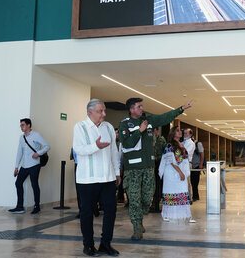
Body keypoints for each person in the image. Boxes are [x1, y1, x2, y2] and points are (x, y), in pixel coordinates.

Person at [119, 97, 193, 241]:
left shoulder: (149, 120)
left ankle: (140, 216)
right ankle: (137, 227)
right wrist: (139, 131)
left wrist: (181, 108)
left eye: (141, 106)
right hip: (133, 169)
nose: (142, 109)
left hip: (148, 167)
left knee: (147, 199)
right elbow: (127, 144)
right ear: (131, 109)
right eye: (139, 107)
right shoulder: (125, 125)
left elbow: (165, 117)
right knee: (134, 199)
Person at [73, 99, 121, 257]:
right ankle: (88, 246)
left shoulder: (108, 127)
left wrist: (117, 172)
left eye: (104, 111)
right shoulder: (80, 127)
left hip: (107, 178)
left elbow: (114, 151)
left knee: (111, 210)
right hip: (87, 179)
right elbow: (78, 150)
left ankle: (105, 244)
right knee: (87, 213)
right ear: (90, 112)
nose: (104, 114)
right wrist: (96, 146)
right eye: (100, 111)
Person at [9, 118, 50, 215]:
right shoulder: (21, 137)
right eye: (20, 125)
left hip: (35, 164)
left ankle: (37, 206)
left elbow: (47, 146)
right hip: (25, 165)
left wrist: (38, 153)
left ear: (28, 125)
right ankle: (19, 207)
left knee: (34, 185)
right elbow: (20, 152)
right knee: (18, 183)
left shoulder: (36, 135)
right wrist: (16, 167)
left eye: (22, 125)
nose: (21, 127)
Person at [159, 126, 195, 223]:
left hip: (180, 171)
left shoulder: (181, 144)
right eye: (178, 130)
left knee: (183, 191)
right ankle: (166, 214)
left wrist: (183, 172)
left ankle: (186, 215)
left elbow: (184, 159)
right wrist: (180, 172)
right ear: (173, 133)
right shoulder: (169, 145)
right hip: (171, 172)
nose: (180, 132)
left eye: (180, 130)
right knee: (170, 191)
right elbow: (170, 160)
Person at [151, 127, 167, 213]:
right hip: (151, 165)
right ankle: (153, 204)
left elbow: (166, 153)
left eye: (154, 131)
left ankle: (156, 204)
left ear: (157, 131)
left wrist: (158, 158)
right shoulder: (149, 140)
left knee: (158, 185)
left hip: (159, 165)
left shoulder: (162, 141)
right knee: (152, 185)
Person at [182, 128, 196, 205]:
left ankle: (189, 198)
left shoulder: (191, 143)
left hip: (187, 163)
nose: (185, 134)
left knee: (187, 181)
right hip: (181, 163)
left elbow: (185, 153)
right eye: (184, 133)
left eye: (186, 133)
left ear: (190, 135)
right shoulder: (183, 142)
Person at [190, 133, 204, 201]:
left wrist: (201, 164)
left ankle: (195, 196)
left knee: (195, 182)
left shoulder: (198, 144)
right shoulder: (186, 143)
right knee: (191, 182)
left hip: (196, 166)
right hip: (189, 166)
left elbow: (202, 154)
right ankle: (192, 196)